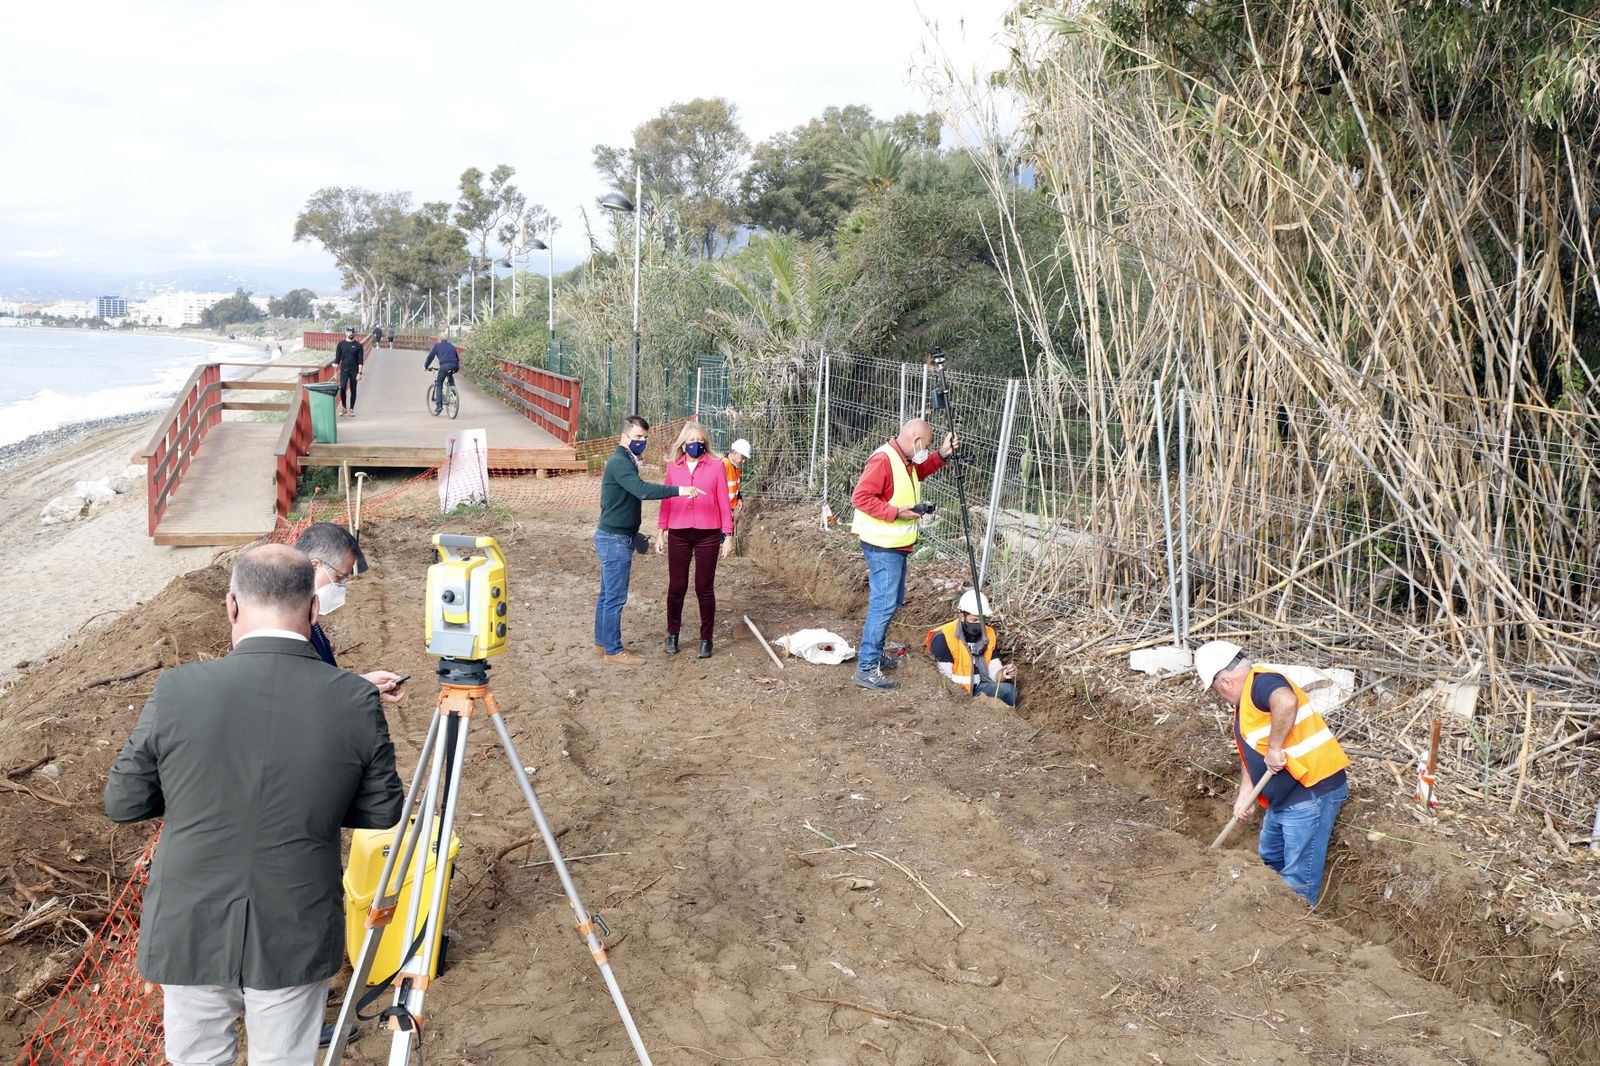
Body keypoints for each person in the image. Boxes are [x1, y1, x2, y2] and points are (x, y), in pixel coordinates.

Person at [104, 545, 404, 1066]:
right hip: (295, 920)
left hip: (191, 920)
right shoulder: (353, 700)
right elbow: (381, 811)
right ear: (313, 610)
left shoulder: (177, 690)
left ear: (232, 607)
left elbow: (125, 801)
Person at [1195, 639, 1351, 906]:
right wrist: (1246, 795)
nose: (1218, 695)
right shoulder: (1246, 704)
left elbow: (1286, 701)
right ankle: (1270, 914)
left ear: (1225, 683)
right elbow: (1253, 753)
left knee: (1297, 878)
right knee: (1269, 861)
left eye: (1215, 690)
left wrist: (1276, 747)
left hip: (1310, 794)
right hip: (1282, 801)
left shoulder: (1261, 684)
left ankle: (1296, 926)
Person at [848, 417, 957, 691]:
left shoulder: (903, 460)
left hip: (894, 545)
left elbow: (918, 472)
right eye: (927, 446)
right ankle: (867, 667)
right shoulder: (884, 460)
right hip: (882, 545)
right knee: (883, 605)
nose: (925, 451)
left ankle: (876, 654)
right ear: (916, 440)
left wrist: (941, 455)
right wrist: (896, 513)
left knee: (892, 601)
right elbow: (860, 498)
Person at [596, 416, 704, 665]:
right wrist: (680, 490)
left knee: (606, 595)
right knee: (614, 597)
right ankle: (613, 650)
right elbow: (642, 490)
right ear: (624, 437)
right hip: (615, 539)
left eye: (645, 437)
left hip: (616, 535)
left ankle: (602, 644)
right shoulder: (620, 462)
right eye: (637, 437)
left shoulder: (625, 460)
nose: (642, 441)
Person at [293, 521, 405, 704]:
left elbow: (320, 676)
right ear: (315, 566)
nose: (341, 586)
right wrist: (358, 693)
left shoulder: (307, 616)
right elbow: (299, 695)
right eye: (339, 577)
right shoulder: (286, 626)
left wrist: (361, 682)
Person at [657, 422, 733, 658]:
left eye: (699, 440)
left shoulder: (717, 466)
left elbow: (723, 501)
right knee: (677, 586)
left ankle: (706, 639)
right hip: (679, 532)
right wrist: (661, 531)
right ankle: (672, 634)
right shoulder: (673, 468)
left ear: (705, 443)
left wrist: (727, 535)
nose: (695, 445)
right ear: (683, 444)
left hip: (707, 533)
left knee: (704, 587)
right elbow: (666, 499)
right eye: (690, 441)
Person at [926, 589, 1017, 706]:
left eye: (982, 619)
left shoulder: (988, 634)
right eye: (974, 620)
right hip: (956, 694)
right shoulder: (944, 637)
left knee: (1010, 692)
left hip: (979, 688)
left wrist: (1005, 673)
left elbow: (993, 671)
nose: (979, 624)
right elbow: (944, 680)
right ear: (962, 616)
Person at [424, 331, 461, 414]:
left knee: (439, 384)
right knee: (450, 376)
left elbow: (430, 357)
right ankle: (454, 395)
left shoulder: (437, 346)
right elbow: (457, 358)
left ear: (439, 339)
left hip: (444, 366)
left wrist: (425, 366)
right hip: (455, 366)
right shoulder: (451, 346)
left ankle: (439, 406)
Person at [334, 326, 365, 417]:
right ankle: (344, 407)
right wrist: (335, 373)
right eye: (349, 332)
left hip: (354, 370)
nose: (350, 334)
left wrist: (359, 373)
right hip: (344, 370)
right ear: (346, 333)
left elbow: (360, 361)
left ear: (354, 334)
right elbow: (337, 360)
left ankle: (351, 409)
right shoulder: (341, 344)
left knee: (353, 389)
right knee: (342, 388)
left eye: (352, 332)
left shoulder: (358, 345)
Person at [723, 438, 751, 528]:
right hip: (721, 511)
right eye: (743, 457)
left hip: (728, 509)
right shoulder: (724, 464)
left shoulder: (735, 466)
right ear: (735, 453)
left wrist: (739, 498)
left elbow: (735, 486)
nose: (743, 461)